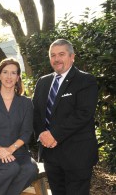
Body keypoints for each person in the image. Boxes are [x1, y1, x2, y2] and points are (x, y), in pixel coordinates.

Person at [33, 39, 98, 195]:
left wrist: (54, 134)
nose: (57, 59)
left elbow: (83, 114)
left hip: (77, 154)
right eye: (53, 55)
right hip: (51, 154)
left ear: (72, 56)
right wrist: (42, 134)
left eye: (61, 54)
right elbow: (35, 112)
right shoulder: (43, 82)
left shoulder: (85, 80)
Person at [0, 58, 38, 195]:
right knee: (10, 168)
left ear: (18, 77)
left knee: (31, 169)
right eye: (5, 72)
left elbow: (27, 132)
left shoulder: (26, 103)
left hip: (19, 152)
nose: (9, 77)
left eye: (13, 73)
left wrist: (10, 149)